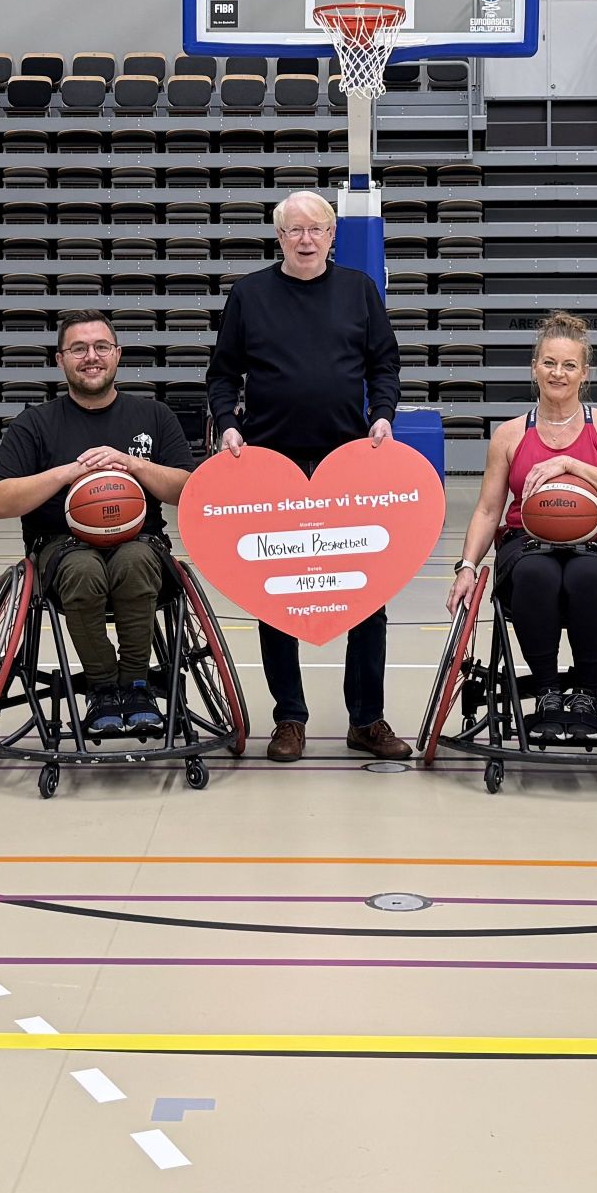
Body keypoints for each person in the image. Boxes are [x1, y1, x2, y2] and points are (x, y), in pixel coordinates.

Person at [205, 189, 410, 763]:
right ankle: (289, 718)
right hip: (274, 465)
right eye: (293, 230)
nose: (305, 238)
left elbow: (384, 364)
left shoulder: (359, 291)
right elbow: (222, 375)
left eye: (315, 228)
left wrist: (383, 415)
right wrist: (226, 424)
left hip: (349, 462)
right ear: (279, 238)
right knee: (278, 594)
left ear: (332, 234)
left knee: (368, 593)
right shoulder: (249, 295)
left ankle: (367, 719)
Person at [0, 310, 197, 737]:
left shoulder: (153, 416)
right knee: (83, 569)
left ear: (117, 354)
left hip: (141, 540)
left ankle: (136, 684)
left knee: (134, 559)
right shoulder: (35, 424)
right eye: (78, 349)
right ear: (60, 359)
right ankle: (103, 686)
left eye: (101, 347)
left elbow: (188, 490)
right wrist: (65, 474)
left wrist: (131, 464)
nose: (91, 357)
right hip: (61, 546)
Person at [446, 311, 597, 739]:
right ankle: (548, 692)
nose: (558, 373)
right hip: (527, 541)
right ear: (534, 367)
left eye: (569, 365)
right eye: (550, 363)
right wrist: (465, 567)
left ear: (584, 373)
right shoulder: (510, 434)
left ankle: (587, 693)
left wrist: (571, 463)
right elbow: (486, 510)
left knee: (588, 575)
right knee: (535, 574)